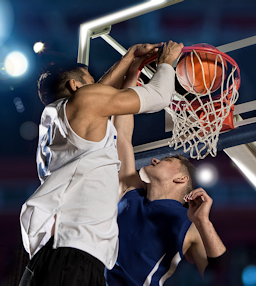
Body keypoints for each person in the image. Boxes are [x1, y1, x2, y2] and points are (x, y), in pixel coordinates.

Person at [19, 40, 184, 286]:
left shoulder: (55, 120)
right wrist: (167, 62)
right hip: (72, 256)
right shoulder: (84, 103)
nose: (99, 87)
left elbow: (103, 95)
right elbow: (159, 96)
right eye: (91, 81)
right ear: (76, 86)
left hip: (56, 256)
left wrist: (130, 62)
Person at [104, 56, 227, 285]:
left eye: (167, 159)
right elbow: (121, 134)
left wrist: (204, 223)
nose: (153, 159)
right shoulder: (129, 190)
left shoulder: (190, 225)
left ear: (181, 178)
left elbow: (218, 274)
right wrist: (132, 74)